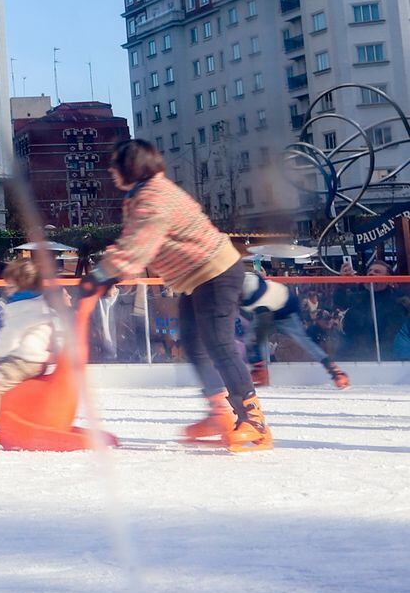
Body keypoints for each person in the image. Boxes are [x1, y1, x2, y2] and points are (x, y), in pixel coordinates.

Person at [81, 139, 271, 451]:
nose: (112, 172)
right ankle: (219, 413)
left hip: (216, 272)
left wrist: (102, 274)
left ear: (132, 167)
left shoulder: (154, 198)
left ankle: (254, 421)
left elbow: (139, 246)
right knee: (194, 345)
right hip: (198, 278)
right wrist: (107, 272)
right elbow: (133, 243)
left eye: (116, 165)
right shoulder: (142, 195)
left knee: (219, 344)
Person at [0, 262, 57, 448]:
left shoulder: (18, 308)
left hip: (24, 360)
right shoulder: (42, 305)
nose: (6, 289)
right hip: (39, 360)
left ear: (21, 286)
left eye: (11, 285)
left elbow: (9, 337)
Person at [243, 263, 348, 389]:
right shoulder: (241, 286)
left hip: (284, 308)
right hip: (268, 305)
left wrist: (257, 360)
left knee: (302, 340)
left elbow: (261, 326)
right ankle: (260, 372)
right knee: (251, 339)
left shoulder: (248, 284)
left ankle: (334, 371)